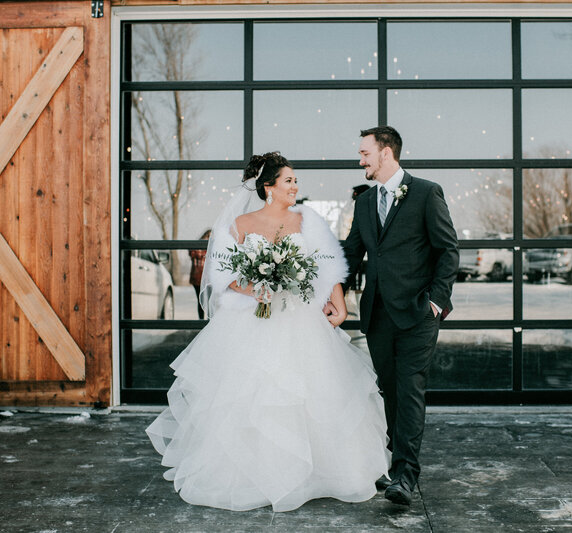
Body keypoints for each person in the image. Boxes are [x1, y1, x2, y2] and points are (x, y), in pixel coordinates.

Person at [146, 152, 389, 512]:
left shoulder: (307, 220)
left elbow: (327, 265)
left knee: (312, 393)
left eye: (295, 181)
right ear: (268, 187)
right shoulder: (241, 223)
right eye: (288, 180)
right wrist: (255, 288)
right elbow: (223, 275)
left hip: (301, 319)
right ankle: (257, 475)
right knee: (255, 396)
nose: (295, 186)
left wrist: (337, 302)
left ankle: (320, 473)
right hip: (253, 321)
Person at [326, 126, 459, 506]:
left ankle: (405, 476)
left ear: (386, 153)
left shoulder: (426, 192)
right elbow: (351, 253)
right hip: (379, 315)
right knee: (390, 392)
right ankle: (393, 464)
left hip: (418, 312)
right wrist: (328, 292)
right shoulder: (365, 202)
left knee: (410, 389)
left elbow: (448, 250)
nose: (360, 159)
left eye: (365, 153)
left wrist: (436, 301)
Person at [188, 229, 211, 320]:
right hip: (198, 277)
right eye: (208, 236)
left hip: (209, 278)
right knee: (200, 300)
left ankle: (210, 321)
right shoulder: (197, 246)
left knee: (210, 300)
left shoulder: (213, 246)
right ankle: (201, 320)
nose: (209, 238)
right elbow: (194, 253)